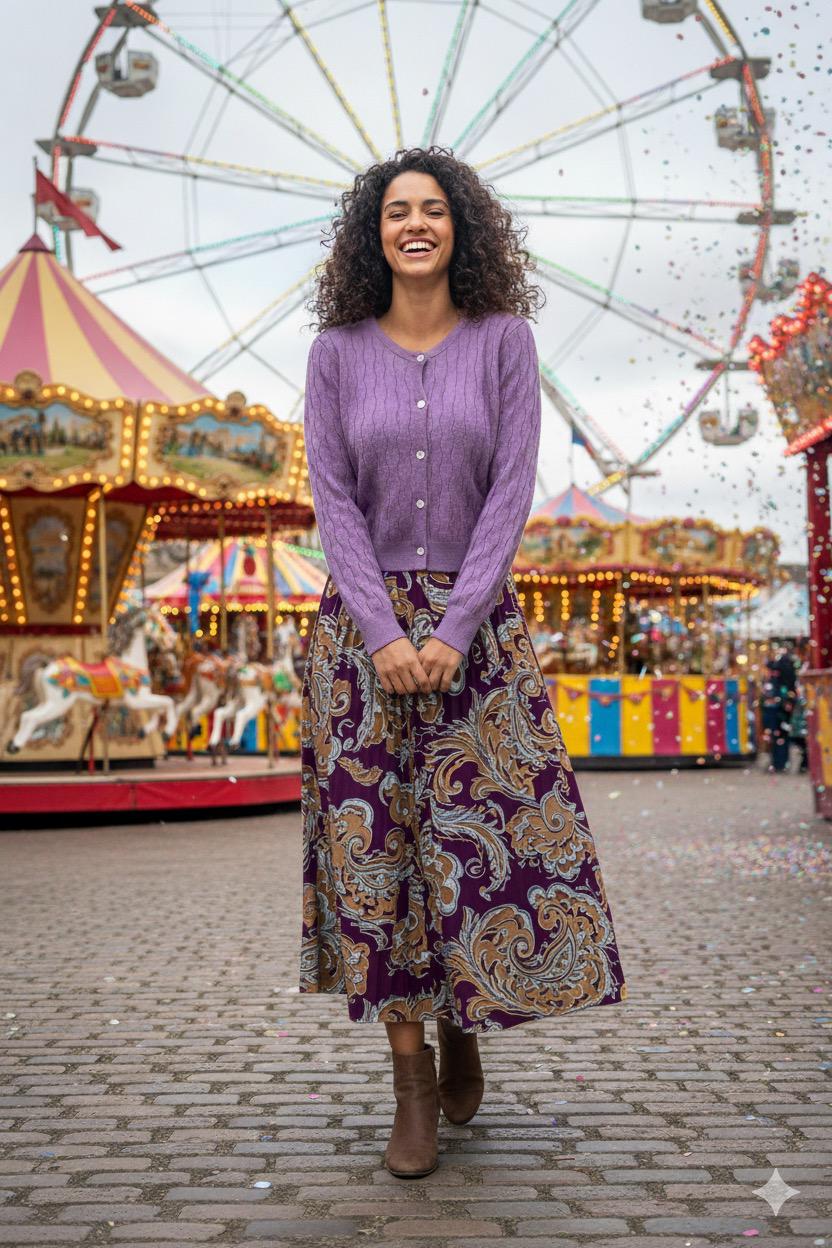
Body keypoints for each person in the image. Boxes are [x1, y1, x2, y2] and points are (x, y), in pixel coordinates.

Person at [299, 146, 627, 1180]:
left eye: (433, 209)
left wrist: (451, 629)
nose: (415, 224)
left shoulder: (504, 342)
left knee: (485, 843)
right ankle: (411, 1086)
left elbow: (510, 490)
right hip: (360, 642)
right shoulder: (334, 353)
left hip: (475, 633)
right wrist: (384, 633)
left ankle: (463, 1019)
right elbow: (332, 501)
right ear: (372, 234)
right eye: (396, 210)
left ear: (461, 228)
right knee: (376, 857)